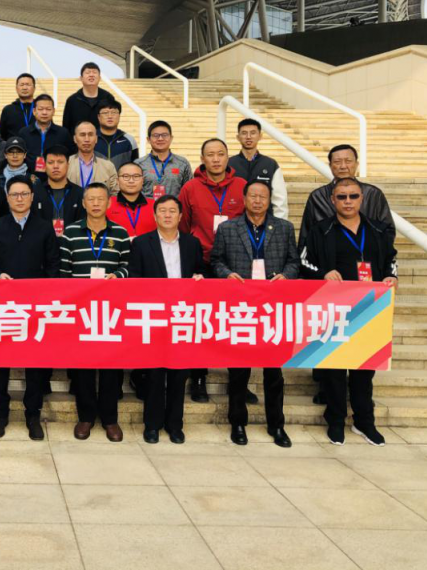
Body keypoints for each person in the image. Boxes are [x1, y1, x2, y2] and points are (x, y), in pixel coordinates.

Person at [301, 177, 397, 447]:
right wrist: (323, 273)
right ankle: (335, 420)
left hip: (370, 308)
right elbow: (304, 262)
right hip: (334, 308)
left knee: (364, 370)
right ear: (333, 200)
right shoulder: (321, 230)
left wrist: (391, 276)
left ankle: (364, 421)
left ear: (361, 198)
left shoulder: (377, 229)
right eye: (341, 197)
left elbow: (391, 259)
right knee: (333, 369)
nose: (347, 201)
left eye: (353, 196)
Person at [209, 180, 300, 448]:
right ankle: (238, 422)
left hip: (272, 307)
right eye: (253, 196)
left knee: (274, 372)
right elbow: (216, 260)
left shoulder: (284, 228)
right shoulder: (228, 228)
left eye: (263, 196)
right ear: (244, 198)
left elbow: (294, 261)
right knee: (238, 371)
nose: (258, 201)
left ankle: (276, 425)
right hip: (241, 307)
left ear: (269, 200)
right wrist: (227, 274)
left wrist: (287, 275)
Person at [0, 175, 61, 440]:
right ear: (7, 197)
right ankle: (0, 414)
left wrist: (43, 291)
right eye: (14, 194)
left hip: (35, 306)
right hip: (3, 306)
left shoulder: (44, 227)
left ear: (32, 197)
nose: (19, 198)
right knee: (0, 362)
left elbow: (53, 264)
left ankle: (32, 415)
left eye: (24, 194)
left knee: (34, 363)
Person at [128, 194, 205, 445]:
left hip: (182, 317)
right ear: (155, 215)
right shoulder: (141, 243)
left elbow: (201, 272)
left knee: (179, 374)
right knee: (153, 373)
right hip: (155, 316)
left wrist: (200, 278)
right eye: (162, 211)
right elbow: (134, 279)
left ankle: (175, 425)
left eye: (173, 211)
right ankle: (152, 425)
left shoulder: (192, 244)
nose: (168, 215)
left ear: (181, 216)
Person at [60, 182, 132, 442]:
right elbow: (64, 272)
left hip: (112, 310)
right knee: (83, 366)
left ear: (109, 202)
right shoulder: (70, 233)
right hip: (81, 310)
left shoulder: (120, 233)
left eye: (101, 199)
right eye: (91, 199)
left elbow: (129, 265)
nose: (96, 203)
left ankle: (110, 419)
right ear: (84, 203)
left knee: (112, 365)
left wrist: (118, 275)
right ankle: (86, 416)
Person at [178, 138, 246, 402]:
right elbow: (184, 226)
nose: (216, 159)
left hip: (235, 264)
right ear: (202, 159)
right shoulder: (190, 187)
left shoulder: (241, 186)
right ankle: (198, 378)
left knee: (235, 322)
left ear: (228, 157)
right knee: (200, 322)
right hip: (202, 263)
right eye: (210, 155)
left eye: (220, 154)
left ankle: (239, 381)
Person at [229, 118, 288, 219]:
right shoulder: (229, 164)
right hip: (235, 221)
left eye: (253, 133)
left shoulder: (270, 164)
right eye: (244, 133)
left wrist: (279, 224)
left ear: (260, 136)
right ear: (238, 137)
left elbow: (280, 201)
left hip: (265, 222)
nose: (248, 137)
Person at [31, 146, 84, 235]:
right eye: (51, 162)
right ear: (45, 166)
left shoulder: (79, 193)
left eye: (60, 162)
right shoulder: (35, 193)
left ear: (68, 165)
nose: (55, 166)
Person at [17, 94, 74, 175]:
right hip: (29, 177)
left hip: (55, 177)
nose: (44, 112)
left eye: (48, 109)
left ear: (53, 111)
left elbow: (70, 156)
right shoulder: (24, 133)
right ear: (34, 111)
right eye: (40, 109)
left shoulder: (63, 133)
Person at [137, 120, 192, 199]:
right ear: (148, 139)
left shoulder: (182, 163)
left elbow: (189, 192)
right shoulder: (139, 164)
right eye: (156, 135)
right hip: (147, 207)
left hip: (174, 207)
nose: (160, 138)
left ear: (171, 138)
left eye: (164, 135)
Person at [61, 62, 116, 135]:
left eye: (94, 72)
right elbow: (66, 126)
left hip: (103, 140)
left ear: (100, 78)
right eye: (87, 72)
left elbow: (113, 122)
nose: (91, 75)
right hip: (78, 141)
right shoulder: (72, 100)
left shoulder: (108, 98)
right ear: (81, 78)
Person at [106, 161, 156, 238]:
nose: (131, 181)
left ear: (142, 180)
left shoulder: (155, 206)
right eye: (126, 176)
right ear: (117, 181)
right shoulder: (106, 204)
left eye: (136, 176)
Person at [67, 121, 118, 194]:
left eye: (90, 135)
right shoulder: (66, 164)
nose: (87, 139)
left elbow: (115, 193)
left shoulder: (108, 166)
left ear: (96, 139)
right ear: (75, 139)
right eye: (82, 135)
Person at [96, 100, 138, 170]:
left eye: (114, 112)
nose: (110, 116)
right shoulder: (89, 138)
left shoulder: (129, 140)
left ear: (119, 116)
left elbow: (135, 166)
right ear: (99, 117)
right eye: (105, 113)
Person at [0, 73, 37, 140]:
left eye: (28, 85)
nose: (24, 88)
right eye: (21, 85)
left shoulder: (41, 109)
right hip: (14, 146)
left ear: (34, 88)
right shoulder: (8, 110)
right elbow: (2, 135)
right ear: (16, 88)